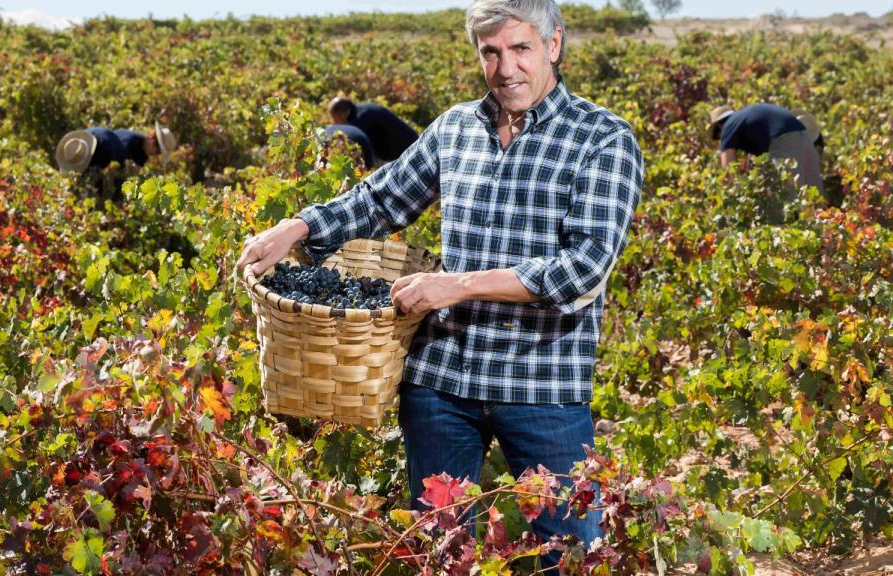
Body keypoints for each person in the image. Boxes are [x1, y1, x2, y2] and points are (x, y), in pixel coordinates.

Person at [239, 0, 643, 566]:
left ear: (553, 46)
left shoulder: (602, 138)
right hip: (441, 385)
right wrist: (299, 226)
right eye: (491, 53)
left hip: (541, 385)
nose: (507, 69)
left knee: (571, 552)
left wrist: (457, 285)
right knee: (437, 550)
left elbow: (585, 267)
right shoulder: (456, 128)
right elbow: (381, 198)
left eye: (521, 48)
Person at [708, 103, 824, 193]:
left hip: (783, 141)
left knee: (785, 198)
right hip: (803, 135)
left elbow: (728, 168)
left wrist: (732, 191)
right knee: (814, 195)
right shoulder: (748, 120)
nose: (720, 138)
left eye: (717, 135)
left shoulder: (729, 126)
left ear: (719, 126)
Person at [55, 123, 176, 175]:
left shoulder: (142, 156)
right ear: (152, 141)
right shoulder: (130, 141)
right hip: (102, 157)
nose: (156, 155)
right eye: (158, 151)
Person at [327, 97, 418, 163]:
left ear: (342, 114)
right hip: (404, 147)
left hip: (407, 150)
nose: (335, 122)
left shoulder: (361, 119)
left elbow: (352, 142)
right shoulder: (360, 111)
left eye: (334, 117)